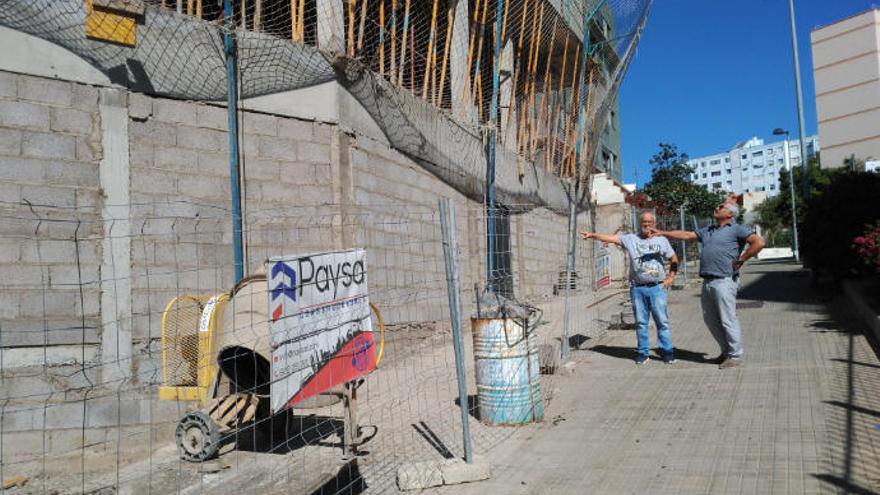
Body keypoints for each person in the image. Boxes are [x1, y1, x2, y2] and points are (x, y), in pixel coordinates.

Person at [649, 201, 765, 369]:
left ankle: (735, 355)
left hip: (724, 280)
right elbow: (687, 235)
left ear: (730, 214)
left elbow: (759, 242)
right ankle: (726, 352)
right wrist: (662, 233)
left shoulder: (736, 228)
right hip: (708, 281)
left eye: (721, 207)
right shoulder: (709, 230)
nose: (716, 207)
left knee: (728, 319)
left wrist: (742, 259)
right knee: (710, 319)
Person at [581, 212, 679, 365]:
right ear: (640, 223)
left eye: (650, 222)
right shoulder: (631, 239)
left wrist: (671, 278)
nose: (647, 225)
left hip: (657, 288)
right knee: (641, 323)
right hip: (638, 289)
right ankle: (642, 353)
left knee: (663, 322)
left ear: (654, 223)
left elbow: (673, 258)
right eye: (644, 222)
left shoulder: (662, 240)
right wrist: (592, 235)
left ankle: (667, 352)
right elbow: (611, 238)